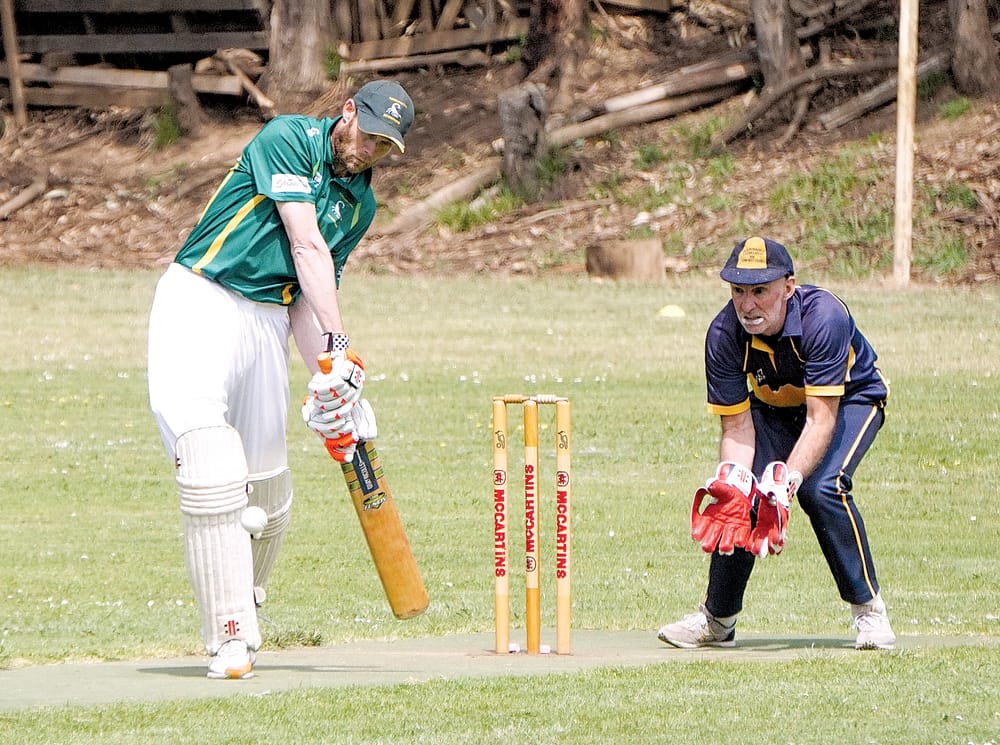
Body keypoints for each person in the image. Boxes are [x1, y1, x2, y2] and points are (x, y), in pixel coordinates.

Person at [147, 80, 414, 679]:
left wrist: (334, 379)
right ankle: (229, 635)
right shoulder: (289, 137)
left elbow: (304, 297)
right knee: (213, 462)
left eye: (385, 145)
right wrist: (342, 346)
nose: (370, 149)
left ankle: (246, 598)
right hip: (203, 299)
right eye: (368, 134)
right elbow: (304, 242)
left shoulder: (360, 205)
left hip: (269, 320)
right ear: (347, 112)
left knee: (267, 491)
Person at [658, 236, 896, 651]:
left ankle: (869, 613)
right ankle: (718, 621)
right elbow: (736, 429)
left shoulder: (825, 317)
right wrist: (733, 479)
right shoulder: (723, 334)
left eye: (760, 291)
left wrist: (786, 483)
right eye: (738, 291)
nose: (747, 305)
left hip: (850, 400)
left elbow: (821, 418)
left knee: (821, 488)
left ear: (788, 286)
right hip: (772, 410)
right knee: (740, 496)